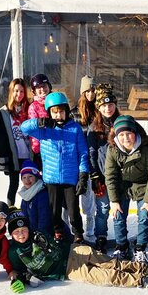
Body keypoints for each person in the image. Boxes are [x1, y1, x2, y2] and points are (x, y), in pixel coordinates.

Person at [5, 210, 148, 293]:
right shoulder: (14, 251)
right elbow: (18, 271)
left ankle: (145, 269)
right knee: (105, 275)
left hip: (73, 252)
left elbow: (56, 249)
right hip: (68, 271)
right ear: (11, 234)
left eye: (24, 230)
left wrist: (47, 244)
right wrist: (22, 279)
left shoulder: (39, 235)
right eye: (17, 232)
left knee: (108, 262)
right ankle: (144, 280)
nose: (21, 234)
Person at [21, 92, 89, 243]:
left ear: (66, 110)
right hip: (51, 178)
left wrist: (83, 175)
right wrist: (39, 122)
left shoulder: (75, 128)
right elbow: (24, 128)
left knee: (73, 210)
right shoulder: (44, 130)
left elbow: (83, 153)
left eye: (61, 111)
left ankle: (78, 234)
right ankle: (57, 233)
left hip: (70, 178)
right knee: (54, 211)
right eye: (54, 111)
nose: (58, 114)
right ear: (49, 113)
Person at [104, 115, 148, 262]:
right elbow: (110, 176)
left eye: (129, 133)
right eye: (121, 134)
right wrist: (114, 201)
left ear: (135, 133)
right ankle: (121, 247)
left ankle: (140, 248)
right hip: (122, 186)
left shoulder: (146, 148)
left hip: (142, 185)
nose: (125, 138)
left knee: (144, 216)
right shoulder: (112, 149)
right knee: (118, 216)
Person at [87, 84, 121, 252]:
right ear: (99, 107)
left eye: (111, 104)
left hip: (120, 176)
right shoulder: (94, 128)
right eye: (104, 105)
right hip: (102, 175)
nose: (108, 108)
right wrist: (94, 175)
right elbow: (91, 152)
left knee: (119, 208)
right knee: (103, 209)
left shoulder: (122, 123)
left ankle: (121, 237)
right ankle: (101, 236)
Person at [0, 78, 31, 206]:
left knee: (31, 185)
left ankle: (30, 211)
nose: (19, 94)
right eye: (16, 91)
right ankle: (11, 210)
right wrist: (4, 159)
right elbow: (0, 139)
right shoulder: (3, 112)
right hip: (14, 156)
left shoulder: (30, 110)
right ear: (11, 92)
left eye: (21, 91)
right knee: (13, 185)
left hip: (28, 155)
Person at [70, 75, 97, 240]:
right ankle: (72, 230)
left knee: (89, 199)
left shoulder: (98, 111)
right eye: (87, 90)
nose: (90, 93)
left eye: (93, 90)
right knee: (71, 200)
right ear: (82, 92)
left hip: (91, 160)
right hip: (75, 161)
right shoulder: (74, 113)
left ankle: (91, 231)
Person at [18, 160, 52, 237]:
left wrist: (40, 237)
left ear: (36, 178)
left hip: (47, 236)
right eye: (24, 177)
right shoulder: (25, 196)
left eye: (30, 176)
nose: (27, 180)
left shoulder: (43, 195)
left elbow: (44, 220)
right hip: (35, 235)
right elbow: (24, 219)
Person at [27, 73, 53, 169]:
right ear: (34, 91)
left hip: (57, 146)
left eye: (44, 86)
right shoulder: (34, 107)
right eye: (38, 87)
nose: (42, 89)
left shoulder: (55, 102)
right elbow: (33, 130)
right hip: (43, 150)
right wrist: (37, 150)